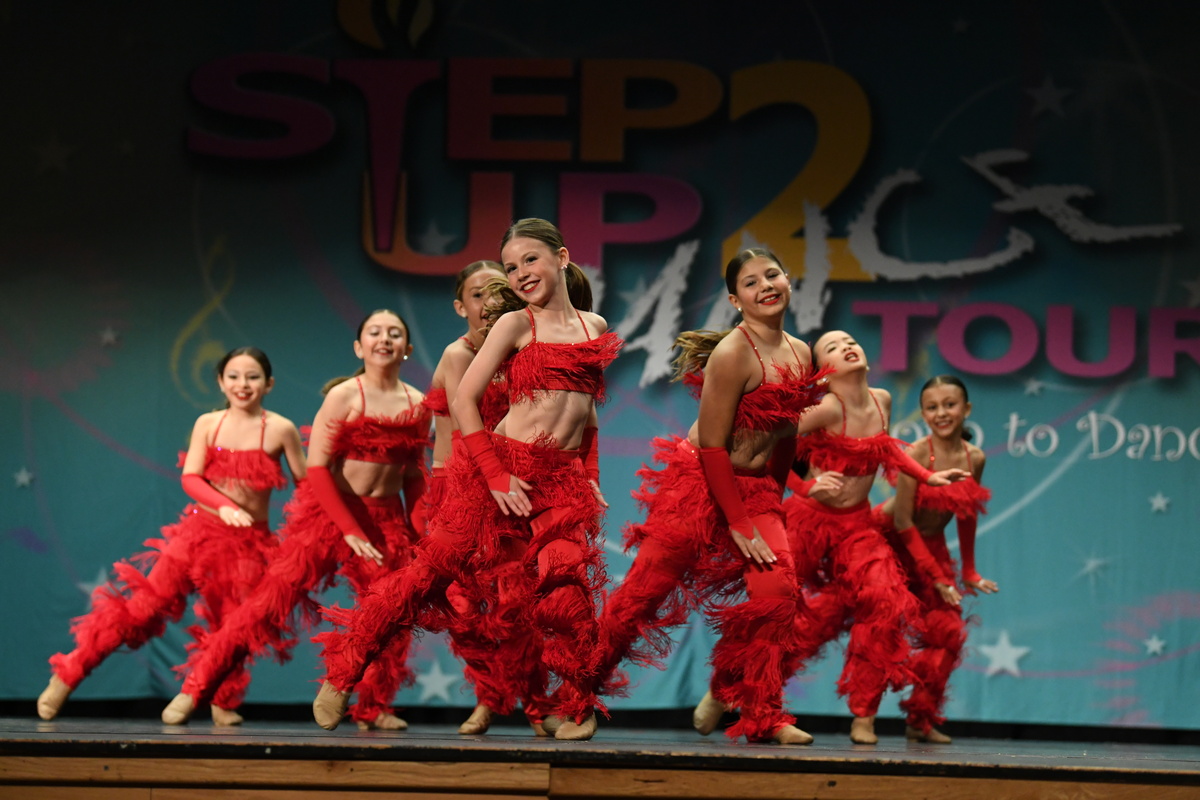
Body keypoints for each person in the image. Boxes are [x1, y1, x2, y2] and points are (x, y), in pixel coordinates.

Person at [313, 218, 621, 741]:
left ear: (563, 258)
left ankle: (578, 707)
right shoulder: (516, 325)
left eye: (530, 260)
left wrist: (588, 475)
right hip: (500, 470)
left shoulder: (595, 325)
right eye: (511, 267)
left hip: (559, 480)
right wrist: (496, 477)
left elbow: (586, 412)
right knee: (426, 577)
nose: (521, 273)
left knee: (567, 592)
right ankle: (343, 673)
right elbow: (463, 401)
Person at [589, 248, 826, 745]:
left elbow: (786, 434)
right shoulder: (734, 353)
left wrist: (773, 498)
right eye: (750, 282)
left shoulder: (802, 353)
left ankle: (762, 714)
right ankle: (577, 696)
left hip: (756, 489)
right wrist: (739, 523)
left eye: (772, 275)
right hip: (698, 483)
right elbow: (714, 447)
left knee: (778, 596)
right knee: (641, 597)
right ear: (735, 300)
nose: (765, 285)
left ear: (788, 281)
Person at [160, 311, 430, 730]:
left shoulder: (417, 404)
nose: (384, 339)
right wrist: (349, 528)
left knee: (390, 614)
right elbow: (317, 469)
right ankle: (194, 689)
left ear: (407, 348)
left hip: (386, 520)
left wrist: (420, 532)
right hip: (331, 514)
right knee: (264, 604)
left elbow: (413, 475)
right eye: (374, 332)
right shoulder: (344, 396)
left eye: (394, 333)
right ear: (359, 346)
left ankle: (372, 707)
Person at [712, 330, 967, 745]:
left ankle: (864, 715)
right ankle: (724, 690)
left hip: (857, 525)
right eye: (832, 347)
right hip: (809, 521)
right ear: (825, 374)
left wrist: (927, 476)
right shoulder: (827, 408)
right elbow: (772, 443)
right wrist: (806, 486)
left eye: (850, 341)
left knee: (885, 602)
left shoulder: (882, 400)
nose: (847, 346)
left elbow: (887, 448)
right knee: (775, 606)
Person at [36, 347, 305, 724]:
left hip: (248, 545)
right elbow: (191, 477)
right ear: (220, 382)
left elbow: (307, 484)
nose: (242, 385)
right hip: (198, 534)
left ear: (269, 384)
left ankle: (220, 699)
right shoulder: (208, 424)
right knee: (141, 609)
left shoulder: (280, 429)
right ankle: (67, 674)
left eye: (252, 377)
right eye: (233, 376)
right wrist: (223, 505)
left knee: (235, 625)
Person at [422, 260, 551, 736]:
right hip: (463, 488)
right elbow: (458, 439)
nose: (490, 302)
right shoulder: (458, 355)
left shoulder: (524, 351)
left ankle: (536, 704)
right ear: (461, 307)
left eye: (499, 292)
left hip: (513, 491)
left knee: (518, 600)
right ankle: (489, 696)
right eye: (478, 295)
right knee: (462, 605)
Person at [877, 374, 994, 744]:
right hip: (887, 541)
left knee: (948, 633)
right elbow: (902, 521)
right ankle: (859, 719)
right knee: (866, 624)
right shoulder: (916, 453)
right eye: (932, 407)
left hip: (931, 546)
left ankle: (920, 719)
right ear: (923, 413)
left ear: (966, 409)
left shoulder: (974, 457)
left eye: (950, 404)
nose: (941, 413)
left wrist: (969, 570)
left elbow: (967, 512)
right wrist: (937, 576)